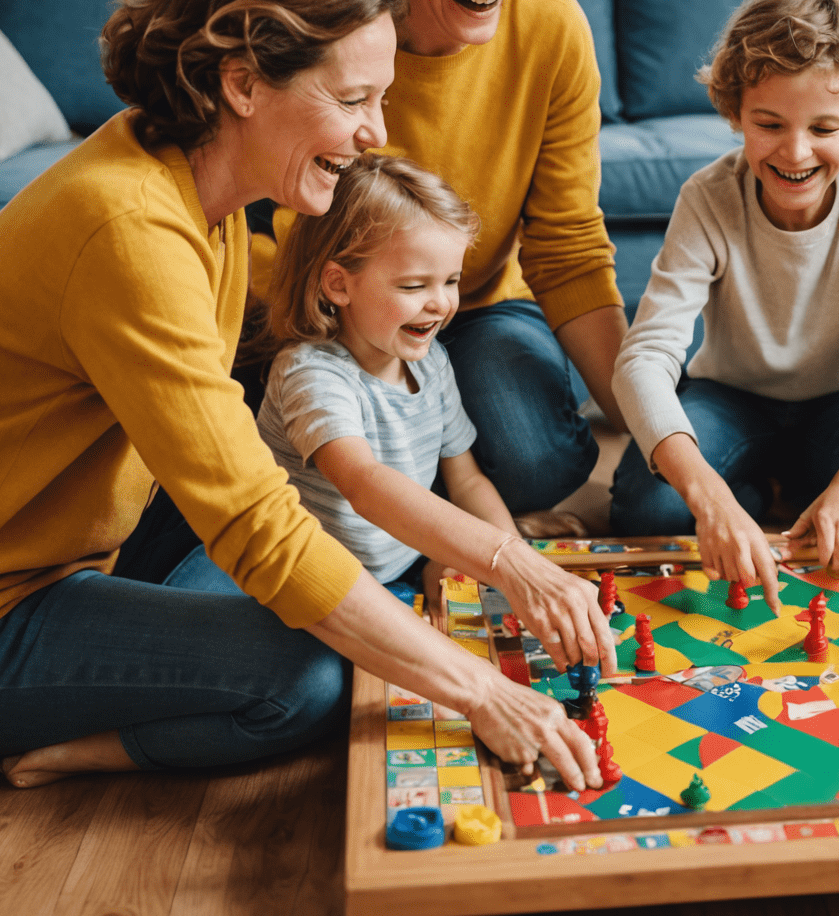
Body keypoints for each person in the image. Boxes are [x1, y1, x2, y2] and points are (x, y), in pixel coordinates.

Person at [0, 0, 607, 792]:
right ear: (242, 83)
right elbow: (252, 520)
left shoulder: (204, 188)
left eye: (379, 100)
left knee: (330, 610)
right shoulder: (128, 226)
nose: (373, 134)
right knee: (307, 675)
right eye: (352, 100)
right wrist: (481, 688)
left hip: (74, 547)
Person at [283, 0, 627, 518]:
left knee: (536, 456)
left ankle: (431, 492)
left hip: (474, 307)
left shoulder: (553, 28)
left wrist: (661, 438)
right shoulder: (319, 40)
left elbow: (569, 250)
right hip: (318, 315)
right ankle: (438, 498)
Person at [610, 0, 839, 606]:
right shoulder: (707, 196)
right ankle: (751, 498)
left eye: (824, 127)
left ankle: (803, 489)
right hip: (729, 396)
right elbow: (643, 358)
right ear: (736, 113)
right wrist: (710, 500)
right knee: (650, 508)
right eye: (768, 124)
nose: (795, 152)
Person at [255, 152, 616, 659]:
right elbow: (365, 486)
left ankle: (448, 558)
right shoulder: (310, 373)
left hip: (394, 562)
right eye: (413, 286)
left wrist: (517, 561)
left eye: (449, 281)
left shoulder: (431, 361)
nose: (441, 303)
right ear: (339, 284)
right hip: (327, 578)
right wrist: (505, 561)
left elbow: (465, 480)